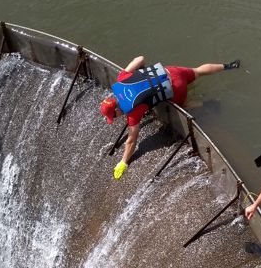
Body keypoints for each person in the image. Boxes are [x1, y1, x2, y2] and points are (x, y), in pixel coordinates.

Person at [100, 56, 241, 180]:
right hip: (170, 71)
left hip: (176, 87)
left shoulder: (132, 112)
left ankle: (209, 104)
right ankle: (230, 66)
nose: (116, 118)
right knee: (198, 71)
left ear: (117, 109)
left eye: (114, 116)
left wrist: (123, 162)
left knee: (184, 104)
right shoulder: (121, 79)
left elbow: (132, 140)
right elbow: (140, 59)